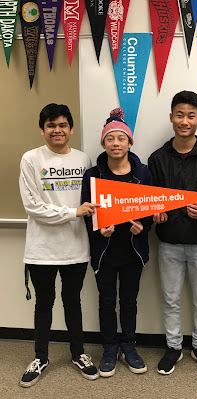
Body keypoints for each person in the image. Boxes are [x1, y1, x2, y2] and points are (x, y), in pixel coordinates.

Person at [19, 103, 99, 388]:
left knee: (73, 301)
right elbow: (33, 207)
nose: (57, 130)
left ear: (71, 129)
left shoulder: (83, 159)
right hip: (41, 250)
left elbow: (93, 201)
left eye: (63, 125)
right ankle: (41, 357)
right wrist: (71, 213)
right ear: (43, 130)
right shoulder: (30, 159)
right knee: (44, 303)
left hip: (76, 247)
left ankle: (78, 353)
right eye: (51, 125)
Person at [148, 91, 197, 375]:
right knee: (170, 298)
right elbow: (150, 197)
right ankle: (173, 347)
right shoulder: (157, 157)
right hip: (168, 242)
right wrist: (154, 212)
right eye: (179, 115)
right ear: (171, 117)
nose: (184, 121)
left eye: (191, 116)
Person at [81, 108, 152, 377]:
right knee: (106, 301)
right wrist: (99, 231)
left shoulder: (143, 173)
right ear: (103, 143)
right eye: (110, 139)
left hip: (133, 251)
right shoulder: (93, 175)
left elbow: (151, 211)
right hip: (105, 251)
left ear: (129, 142)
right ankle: (109, 347)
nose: (116, 144)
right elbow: (86, 212)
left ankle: (129, 346)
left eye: (121, 139)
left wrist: (142, 227)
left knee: (130, 302)